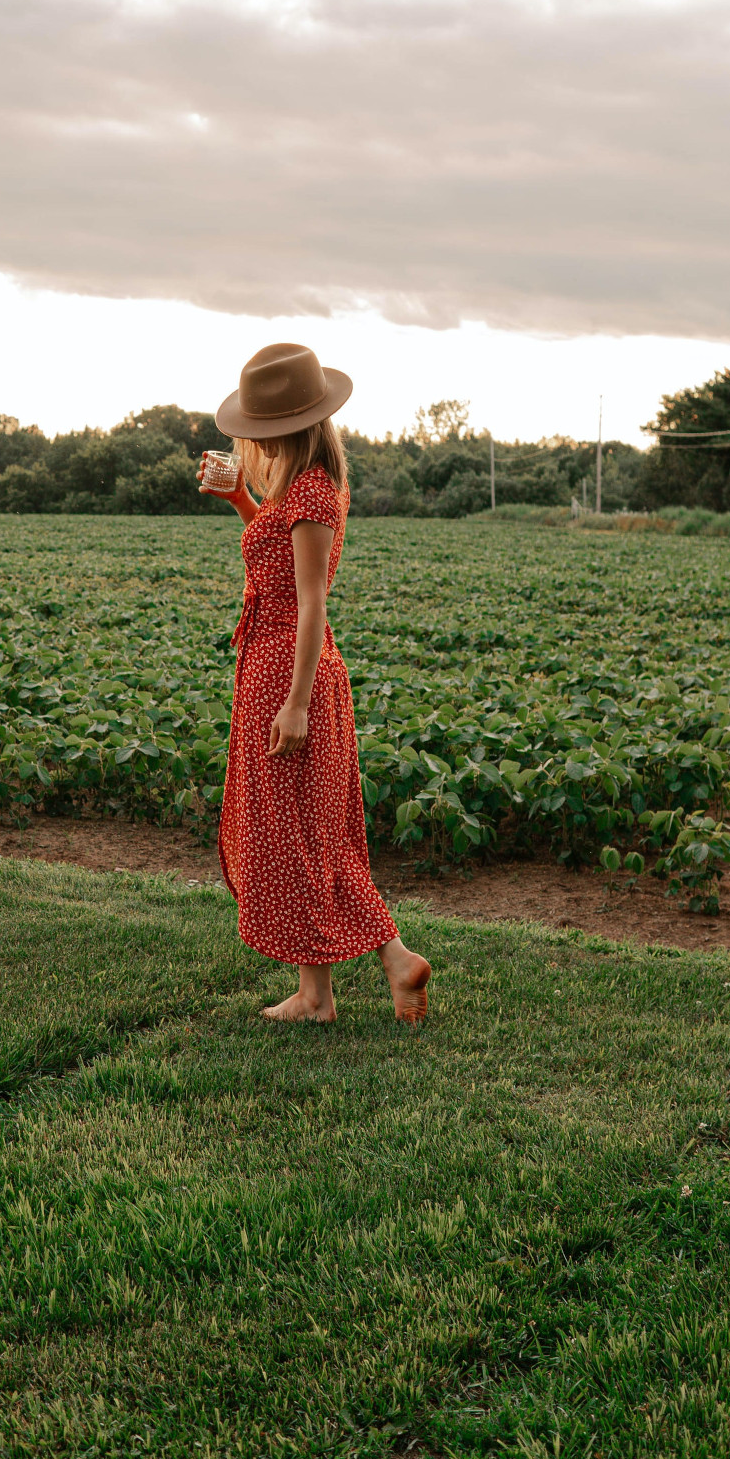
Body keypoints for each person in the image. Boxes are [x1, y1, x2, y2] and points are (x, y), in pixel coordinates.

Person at [198, 341, 431, 1025]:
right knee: (307, 833)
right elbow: (273, 564)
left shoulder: (311, 495)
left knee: (300, 836)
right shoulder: (300, 491)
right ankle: (329, 988)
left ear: (284, 431)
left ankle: (368, 968)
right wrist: (240, 497)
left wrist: (296, 703)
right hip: (274, 668)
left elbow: (310, 602)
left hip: (290, 674)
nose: (252, 444)